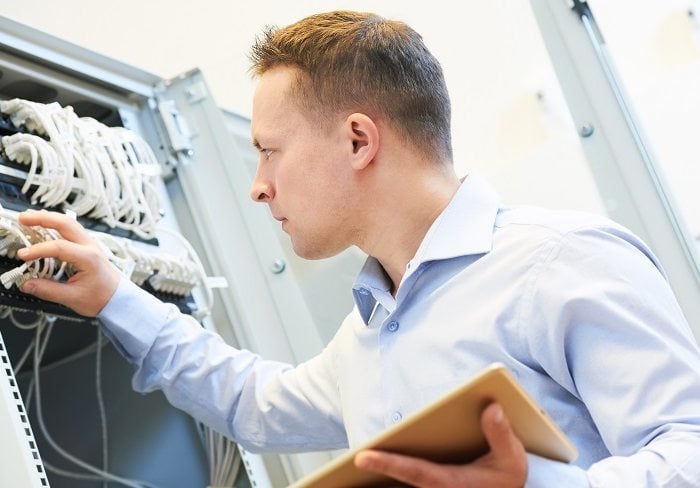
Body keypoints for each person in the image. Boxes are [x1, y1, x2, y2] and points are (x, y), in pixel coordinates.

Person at [15, 10, 700, 487]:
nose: (257, 188)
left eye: (268, 152)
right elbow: (253, 401)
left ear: (358, 140)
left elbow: (689, 452)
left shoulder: (562, 263)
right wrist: (115, 294)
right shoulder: (368, 339)